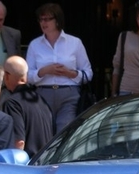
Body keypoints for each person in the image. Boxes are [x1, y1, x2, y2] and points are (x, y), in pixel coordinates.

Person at [26, 3, 93, 134]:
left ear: (57, 20)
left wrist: (70, 73)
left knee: (64, 134)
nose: (43, 23)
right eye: (41, 19)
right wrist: (44, 71)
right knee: (44, 135)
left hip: (69, 94)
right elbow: (27, 76)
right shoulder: (35, 45)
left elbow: (88, 73)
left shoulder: (75, 42)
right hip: (42, 94)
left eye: (47, 19)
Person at [1, 56, 53, 157]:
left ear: (7, 76)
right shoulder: (41, 100)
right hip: (46, 162)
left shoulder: (12, 103)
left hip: (28, 166)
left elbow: (19, 142)